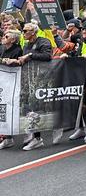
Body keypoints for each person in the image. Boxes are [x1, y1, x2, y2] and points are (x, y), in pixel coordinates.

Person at [20, 22, 54, 151]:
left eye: (26, 31)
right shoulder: (27, 44)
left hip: (42, 79)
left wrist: (29, 55)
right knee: (28, 106)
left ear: (33, 32)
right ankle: (33, 135)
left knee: (37, 107)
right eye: (23, 31)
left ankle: (38, 138)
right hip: (29, 78)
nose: (23, 33)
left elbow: (47, 56)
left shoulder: (43, 41)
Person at [0, 29, 22, 149]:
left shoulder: (17, 50)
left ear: (13, 39)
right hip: (3, 81)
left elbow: (19, 64)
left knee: (10, 109)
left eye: (6, 36)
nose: (3, 37)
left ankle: (10, 137)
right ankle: (6, 136)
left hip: (13, 83)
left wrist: (12, 62)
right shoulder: (2, 48)